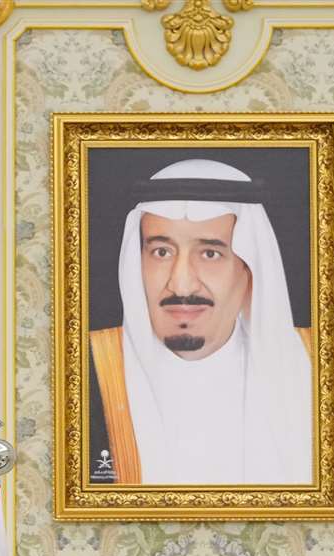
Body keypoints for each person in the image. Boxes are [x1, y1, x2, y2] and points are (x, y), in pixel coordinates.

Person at [89, 157, 312, 488]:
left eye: (210, 254)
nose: (181, 285)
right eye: (161, 252)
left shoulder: (319, 370)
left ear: (249, 269)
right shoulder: (81, 372)